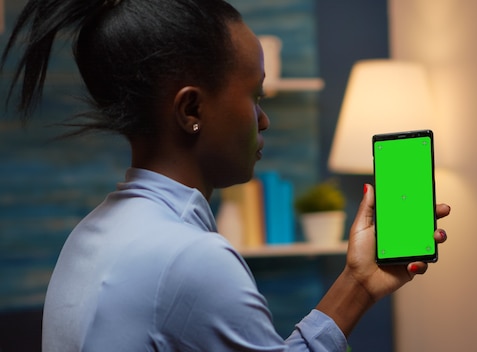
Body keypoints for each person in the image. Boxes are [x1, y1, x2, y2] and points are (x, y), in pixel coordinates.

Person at [1, 0, 451, 351]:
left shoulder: (91, 235)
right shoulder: (190, 258)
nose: (263, 119)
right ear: (191, 108)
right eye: (255, 95)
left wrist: (358, 280)